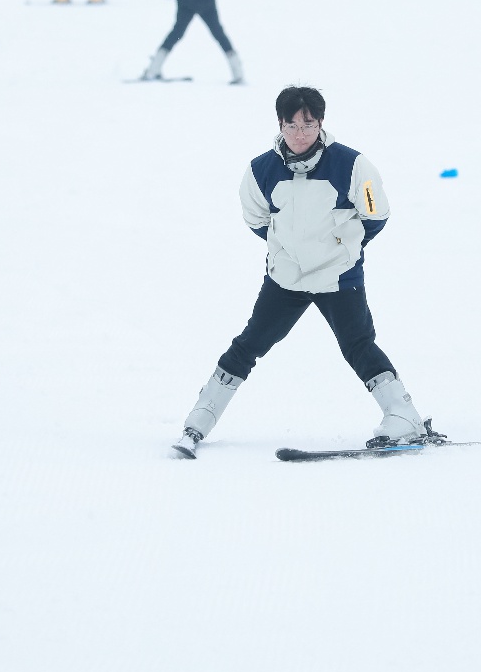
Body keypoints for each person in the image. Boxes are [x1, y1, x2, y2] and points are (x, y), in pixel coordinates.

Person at [172, 86, 435, 458]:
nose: (300, 134)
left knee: (358, 346)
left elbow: (375, 214)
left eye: (308, 125)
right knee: (249, 345)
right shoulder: (260, 170)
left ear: (321, 123)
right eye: (292, 125)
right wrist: (290, 250)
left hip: (338, 277)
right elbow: (257, 220)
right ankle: (197, 423)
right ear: (280, 124)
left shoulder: (354, 165)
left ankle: (403, 417)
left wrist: (341, 248)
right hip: (286, 279)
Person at [139, 0, 244, 85]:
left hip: (208, 9)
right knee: (176, 34)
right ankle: (153, 69)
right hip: (185, 9)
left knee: (219, 34)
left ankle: (238, 73)